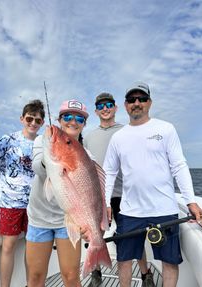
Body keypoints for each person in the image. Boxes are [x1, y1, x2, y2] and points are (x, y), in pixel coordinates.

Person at [103, 81, 202, 287]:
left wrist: (190, 201)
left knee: (169, 261)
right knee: (123, 259)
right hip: (130, 211)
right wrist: (105, 203)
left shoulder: (166, 129)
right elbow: (109, 172)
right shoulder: (118, 137)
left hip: (164, 208)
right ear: (125, 105)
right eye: (132, 100)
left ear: (149, 103)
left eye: (142, 99)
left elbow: (179, 166)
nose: (137, 103)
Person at [0, 100, 45, 287]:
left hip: (36, 206)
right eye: (30, 118)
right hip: (11, 205)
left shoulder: (44, 144)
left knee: (33, 249)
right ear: (22, 119)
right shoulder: (7, 140)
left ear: (42, 123)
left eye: (38, 120)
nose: (33, 123)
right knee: (8, 246)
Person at [84, 93, 154, 287]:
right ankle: (95, 271)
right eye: (100, 105)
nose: (105, 108)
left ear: (115, 108)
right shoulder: (88, 137)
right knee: (94, 235)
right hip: (98, 196)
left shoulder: (127, 131)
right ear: (96, 111)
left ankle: (145, 273)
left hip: (126, 194)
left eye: (109, 105)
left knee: (134, 235)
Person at [26, 99, 91, 287]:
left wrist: (90, 225)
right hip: (39, 219)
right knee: (35, 277)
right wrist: (57, 152)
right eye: (67, 116)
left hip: (68, 220)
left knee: (71, 277)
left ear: (84, 124)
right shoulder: (44, 139)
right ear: (60, 119)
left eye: (80, 118)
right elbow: (38, 168)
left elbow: (91, 194)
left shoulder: (88, 156)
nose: (73, 121)